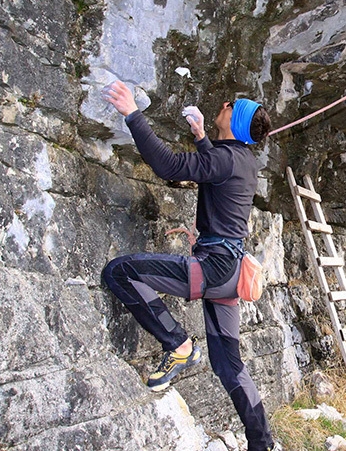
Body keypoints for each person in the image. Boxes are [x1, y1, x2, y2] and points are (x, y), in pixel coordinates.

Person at [100, 80, 277, 451]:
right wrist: (200, 135)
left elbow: (168, 166)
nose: (225, 103)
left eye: (232, 105)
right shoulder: (244, 159)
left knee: (120, 271)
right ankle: (263, 444)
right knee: (230, 366)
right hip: (229, 273)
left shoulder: (227, 158)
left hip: (214, 268)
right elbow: (218, 173)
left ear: (233, 121)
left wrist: (133, 113)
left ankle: (178, 344)